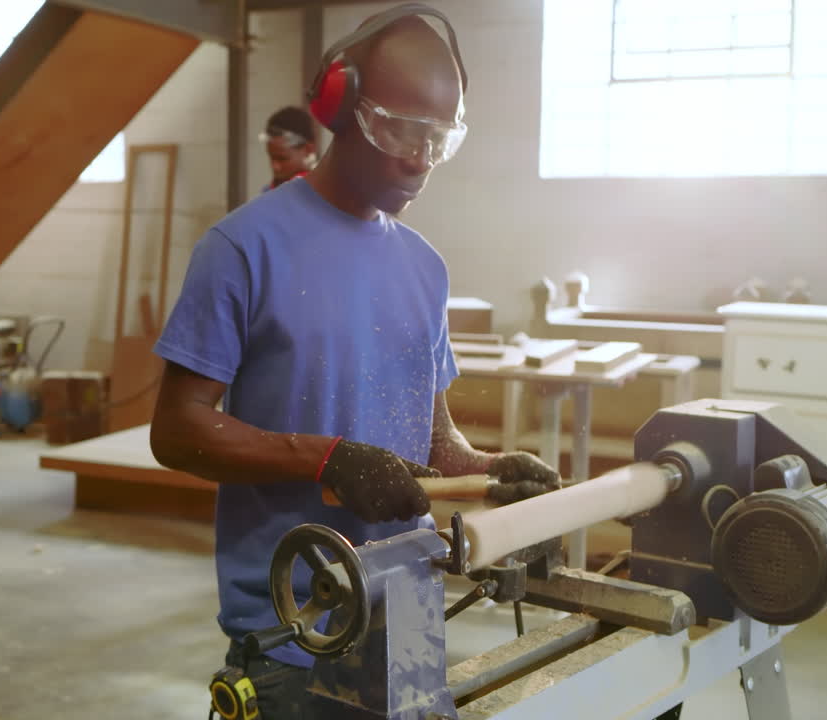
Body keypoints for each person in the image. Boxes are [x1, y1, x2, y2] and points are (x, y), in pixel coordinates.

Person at [149, 5, 560, 719]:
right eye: (401, 129)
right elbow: (177, 430)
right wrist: (326, 459)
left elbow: (432, 441)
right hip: (292, 627)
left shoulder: (425, 268)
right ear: (338, 106)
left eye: (440, 138)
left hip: (409, 607)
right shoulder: (244, 249)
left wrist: (490, 471)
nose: (419, 158)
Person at [259, 106, 318, 192]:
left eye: (282, 159)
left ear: (308, 149)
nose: (275, 167)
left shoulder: (324, 195)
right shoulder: (267, 193)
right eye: (272, 157)